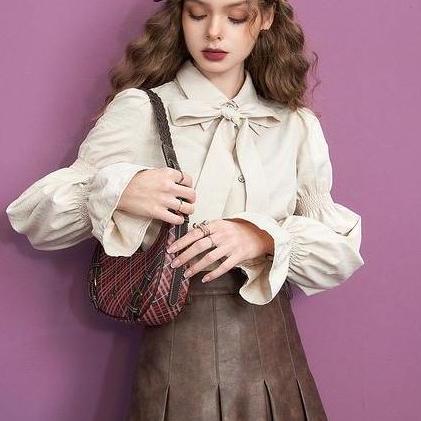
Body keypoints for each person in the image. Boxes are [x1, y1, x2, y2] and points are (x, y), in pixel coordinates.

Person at [5, 0, 365, 420]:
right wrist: (119, 191)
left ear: (265, 18)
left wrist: (264, 237)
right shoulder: (143, 109)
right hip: (180, 351)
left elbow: (339, 253)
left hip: (276, 353)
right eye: (198, 14)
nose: (214, 32)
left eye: (235, 17)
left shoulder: (294, 124)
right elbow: (35, 217)